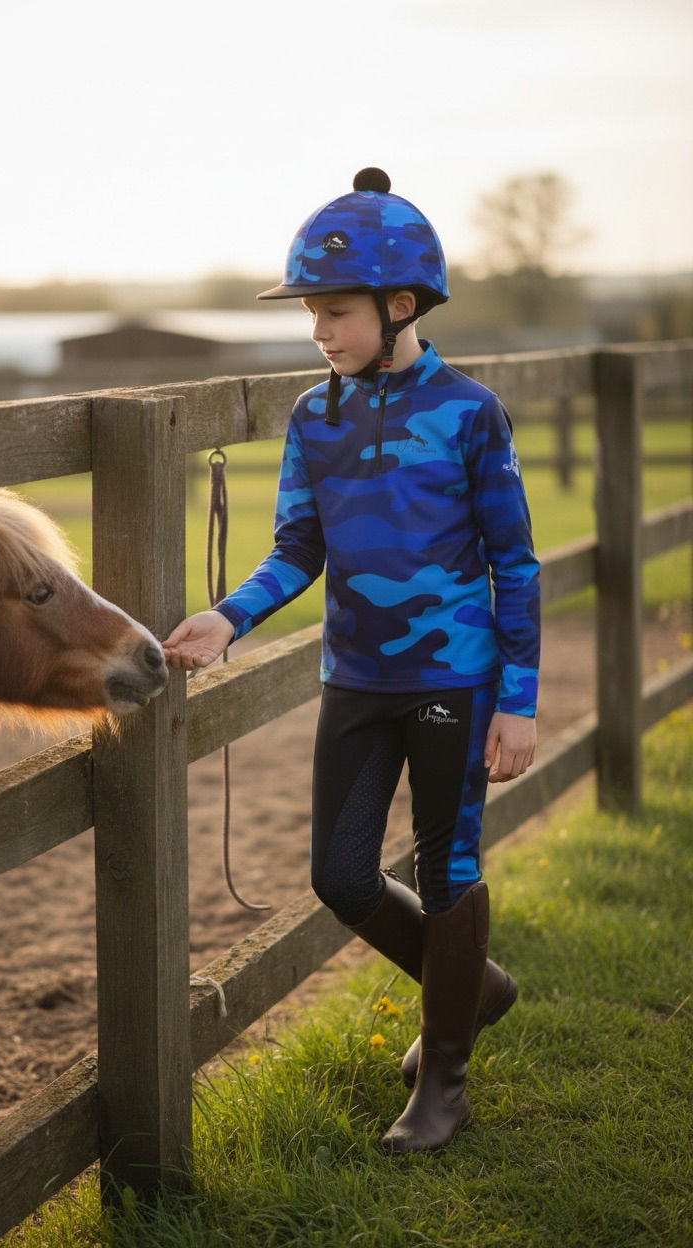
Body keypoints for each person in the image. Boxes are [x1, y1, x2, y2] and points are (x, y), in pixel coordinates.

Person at [163, 168, 540, 1153]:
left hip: (455, 681)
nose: (320, 332)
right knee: (339, 876)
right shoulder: (313, 417)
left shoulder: (468, 413)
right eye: (313, 314)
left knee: (446, 868)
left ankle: (442, 1079)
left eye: (335, 312)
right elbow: (297, 548)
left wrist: (521, 701)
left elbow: (516, 562)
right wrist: (227, 618)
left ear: (400, 304)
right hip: (358, 681)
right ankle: (475, 989)